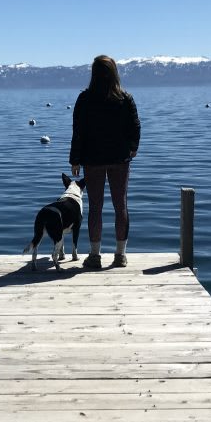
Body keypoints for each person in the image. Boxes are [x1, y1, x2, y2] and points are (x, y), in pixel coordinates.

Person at [69, 55, 141, 269]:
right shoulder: (125, 98)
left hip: (93, 160)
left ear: (94, 74)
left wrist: (75, 160)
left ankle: (95, 256)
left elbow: (78, 132)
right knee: (121, 206)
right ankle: (120, 256)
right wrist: (133, 148)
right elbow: (135, 126)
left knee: (96, 208)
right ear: (114, 73)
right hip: (120, 159)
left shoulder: (85, 99)